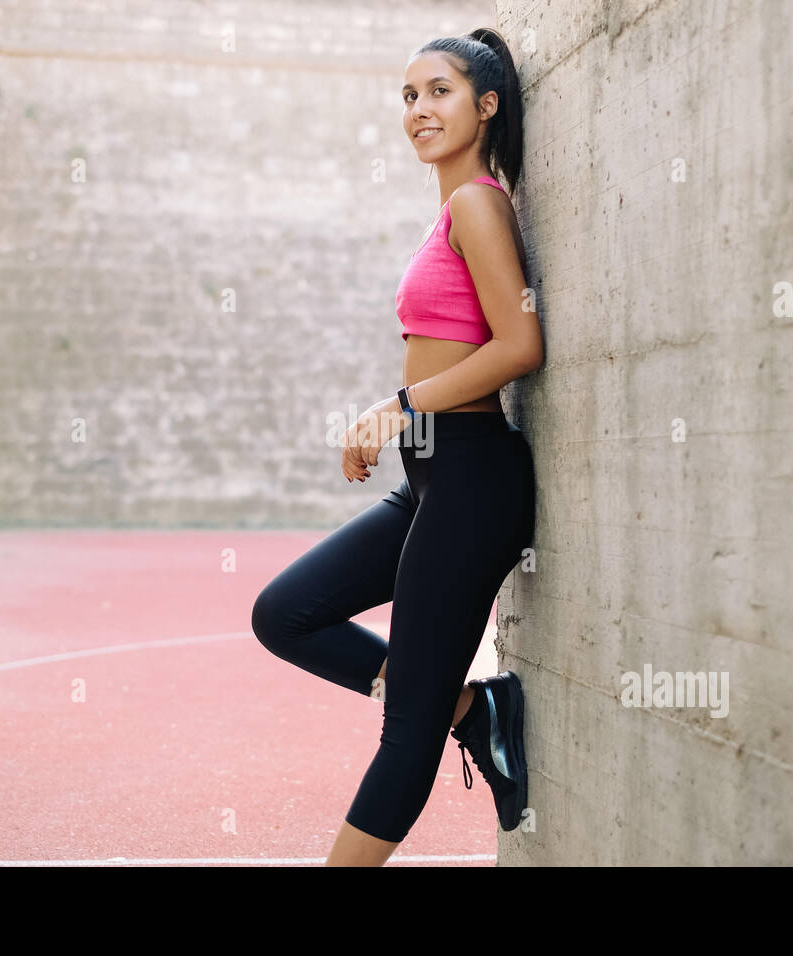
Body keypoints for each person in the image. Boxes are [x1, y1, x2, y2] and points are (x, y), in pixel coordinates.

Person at [250, 26, 542, 867]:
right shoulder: (448, 210)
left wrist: (398, 404)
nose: (419, 110)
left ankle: (444, 715)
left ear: (486, 106)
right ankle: (470, 710)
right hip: (431, 477)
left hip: (474, 478)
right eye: (409, 96)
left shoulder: (480, 203)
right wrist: (403, 419)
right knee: (286, 613)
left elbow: (520, 345)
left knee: (402, 729)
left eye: (439, 92)